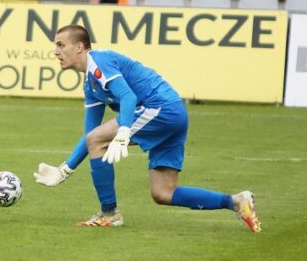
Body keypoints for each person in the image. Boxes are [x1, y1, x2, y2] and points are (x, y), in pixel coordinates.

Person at [33, 24, 261, 232]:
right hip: (172, 114)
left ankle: (109, 214)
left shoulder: (99, 62)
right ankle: (236, 201)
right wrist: (65, 170)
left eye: (61, 45)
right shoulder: (91, 85)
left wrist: (123, 131)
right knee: (163, 193)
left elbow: (127, 97)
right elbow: (89, 135)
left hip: (160, 109)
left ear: (80, 47)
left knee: (98, 139)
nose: (55, 51)